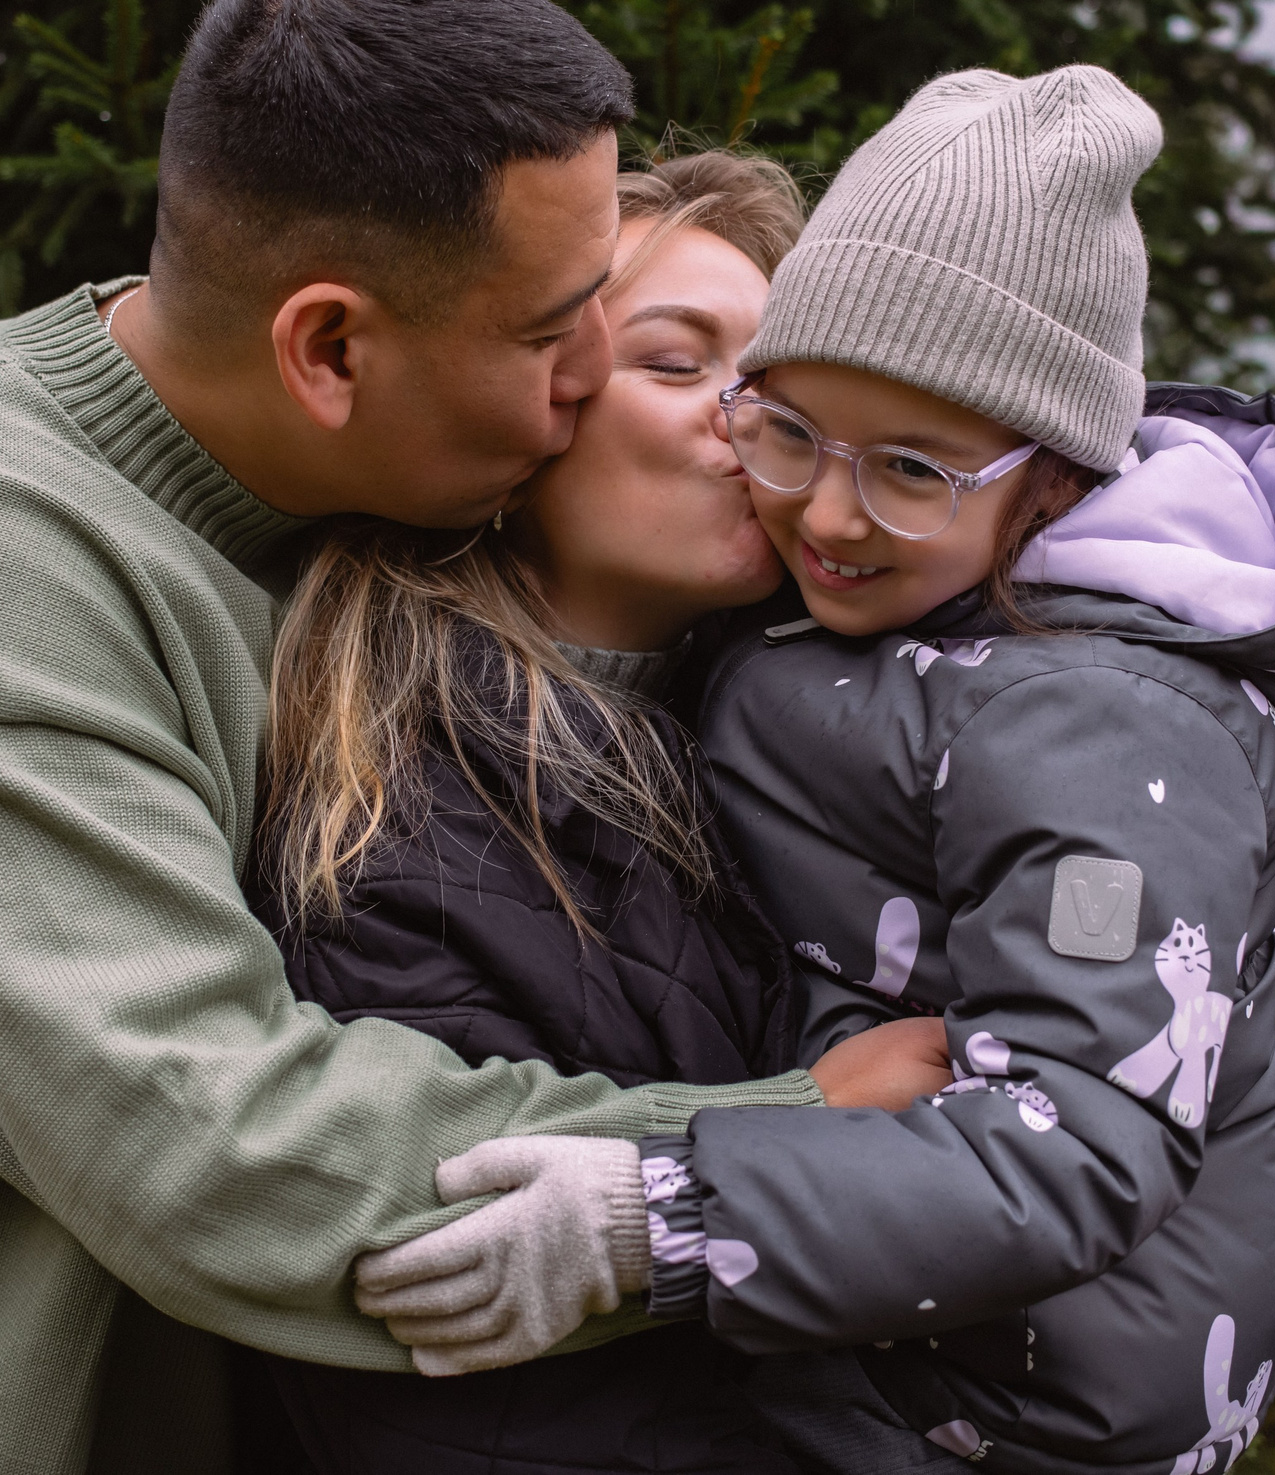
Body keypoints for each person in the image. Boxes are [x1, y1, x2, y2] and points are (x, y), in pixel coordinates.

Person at [0, 0, 945, 1475]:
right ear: (328, 347)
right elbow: (212, 1150)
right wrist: (759, 1159)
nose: (588, 379)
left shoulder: (354, 508)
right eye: (547, 328)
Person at [357, 67, 1275, 1475]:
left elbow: (1077, 1137)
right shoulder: (863, 635)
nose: (829, 512)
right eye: (790, 434)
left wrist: (663, 1219)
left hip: (1020, 1414)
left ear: (1055, 479)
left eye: (910, 470)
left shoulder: (1108, 739)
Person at [252, 152, 901, 1474]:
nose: (753, 419)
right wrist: (805, 1130)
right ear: (532, 418)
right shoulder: (408, 825)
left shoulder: (820, 768)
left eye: (783, 385)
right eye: (679, 364)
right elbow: (454, 1381)